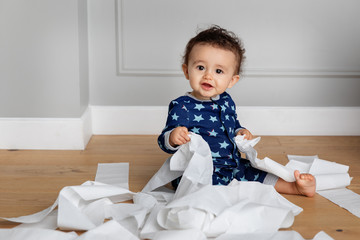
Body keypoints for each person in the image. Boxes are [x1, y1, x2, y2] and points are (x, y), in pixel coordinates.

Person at [158, 25, 315, 197]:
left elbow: (232, 125)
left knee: (254, 171)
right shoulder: (182, 105)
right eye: (201, 68)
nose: (208, 76)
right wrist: (173, 137)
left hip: (232, 163)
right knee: (207, 190)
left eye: (218, 71)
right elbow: (164, 140)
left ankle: (294, 187)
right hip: (202, 168)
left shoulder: (226, 101)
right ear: (187, 71)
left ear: (232, 80)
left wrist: (240, 131)